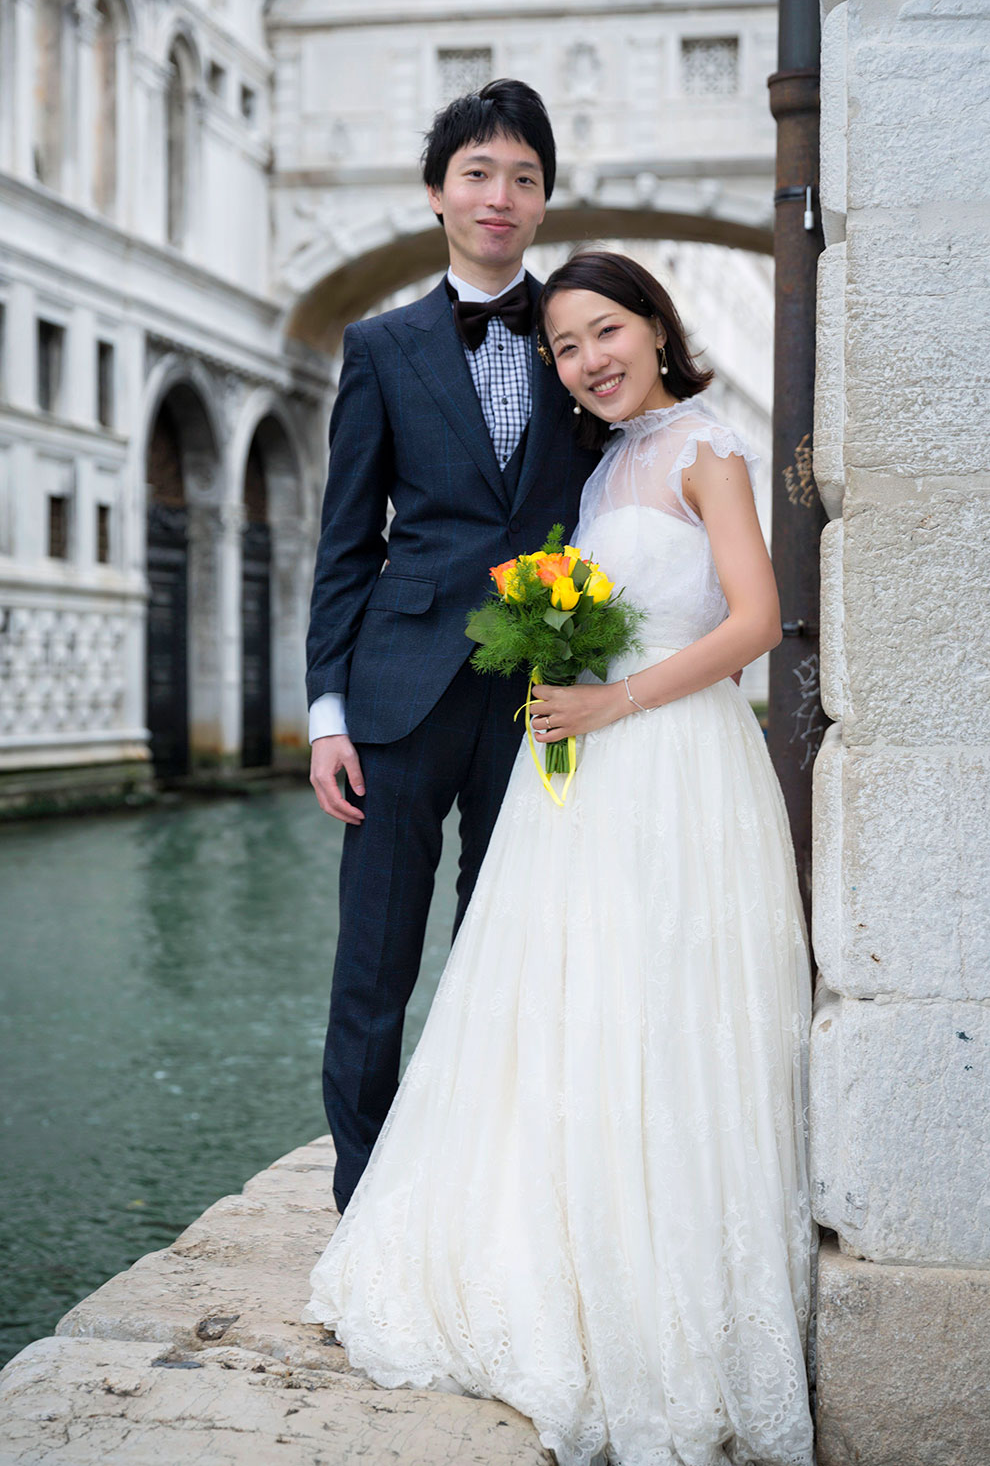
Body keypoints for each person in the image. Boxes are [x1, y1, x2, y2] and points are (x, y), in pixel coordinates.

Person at [304, 249, 815, 1466]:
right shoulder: (601, 460)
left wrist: (611, 699)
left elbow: (752, 621)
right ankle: (546, 1231)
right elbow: (357, 541)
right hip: (561, 760)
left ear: (654, 323)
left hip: (668, 764)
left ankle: (653, 1267)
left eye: (607, 333)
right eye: (568, 347)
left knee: (659, 1014)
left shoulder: (707, 446)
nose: (589, 361)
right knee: (558, 1007)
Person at [305, 81, 598, 1214]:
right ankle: (363, 1192)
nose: (500, 196)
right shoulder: (379, 346)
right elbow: (343, 545)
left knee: (507, 950)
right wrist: (326, 714)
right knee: (374, 959)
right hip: (398, 691)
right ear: (437, 192)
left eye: (524, 178)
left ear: (542, 203)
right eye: (479, 173)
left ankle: (479, 1181)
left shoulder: (579, 339)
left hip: (540, 695)